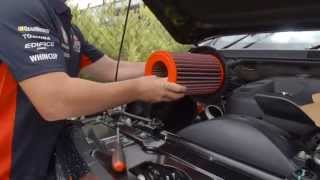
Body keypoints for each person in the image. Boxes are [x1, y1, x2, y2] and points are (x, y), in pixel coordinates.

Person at [0, 0, 186, 179]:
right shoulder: (20, 7)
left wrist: (167, 67)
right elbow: (55, 100)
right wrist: (138, 89)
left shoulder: (67, 27)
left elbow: (111, 69)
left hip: (36, 161)